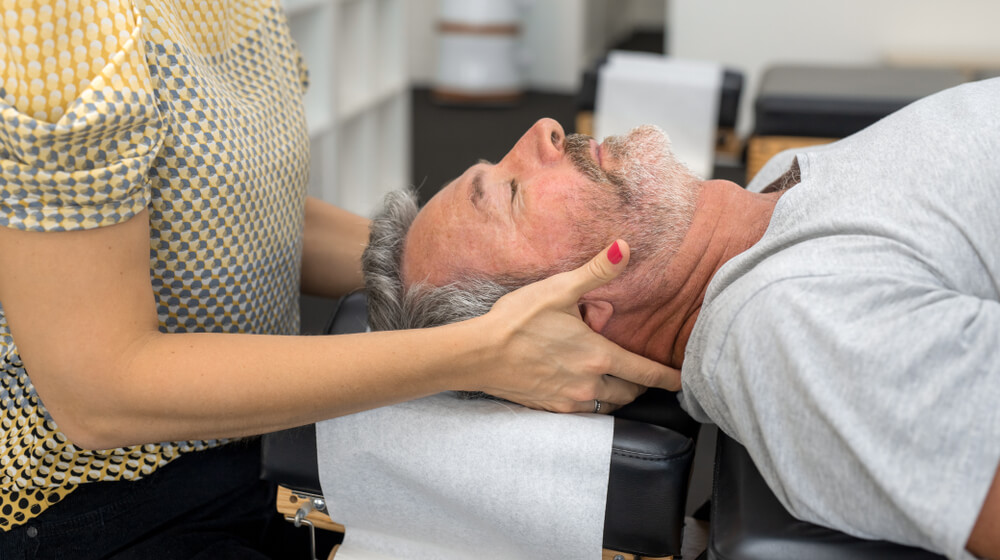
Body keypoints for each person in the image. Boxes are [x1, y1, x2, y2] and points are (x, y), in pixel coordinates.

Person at [0, 1, 679, 557]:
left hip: (252, 446)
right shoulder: (61, 20)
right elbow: (96, 396)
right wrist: (483, 348)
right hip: (88, 510)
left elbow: (220, 215)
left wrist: (455, 281)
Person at [362, 78, 1000, 559]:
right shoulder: (791, 332)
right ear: (572, 317)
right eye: (511, 191)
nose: (543, 131)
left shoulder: (770, 190)